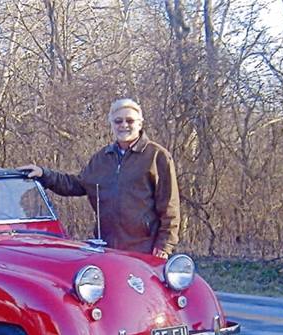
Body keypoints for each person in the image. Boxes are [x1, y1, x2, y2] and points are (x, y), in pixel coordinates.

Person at [20, 98, 180, 258]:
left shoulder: (157, 156)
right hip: (107, 247)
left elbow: (169, 206)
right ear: (111, 125)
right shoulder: (102, 158)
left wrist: (164, 245)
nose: (124, 125)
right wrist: (44, 174)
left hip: (145, 248)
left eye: (129, 120)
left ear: (139, 123)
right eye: (118, 121)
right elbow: (76, 184)